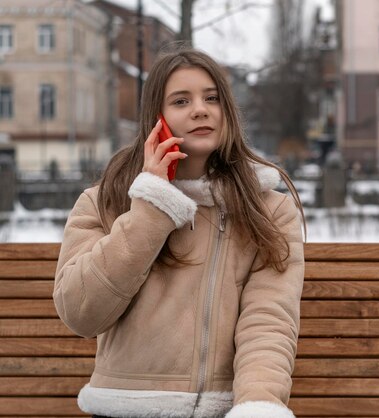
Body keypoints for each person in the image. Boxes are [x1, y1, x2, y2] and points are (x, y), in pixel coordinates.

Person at [53, 46, 305, 418]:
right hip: (124, 410)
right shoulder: (105, 202)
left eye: (212, 98)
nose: (200, 109)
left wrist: (259, 404)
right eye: (181, 100)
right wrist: (152, 206)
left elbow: (268, 322)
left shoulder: (268, 210)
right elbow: (80, 312)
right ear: (156, 118)